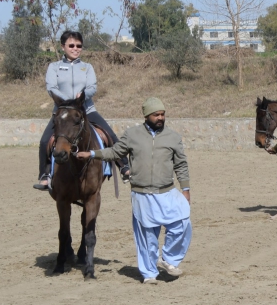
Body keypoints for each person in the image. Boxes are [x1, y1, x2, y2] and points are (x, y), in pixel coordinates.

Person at [76, 97, 191, 284]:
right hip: (142, 193)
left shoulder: (173, 137)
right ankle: (149, 274)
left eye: (163, 114)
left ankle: (168, 259)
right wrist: (92, 154)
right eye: (156, 115)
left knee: (182, 224)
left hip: (167, 191)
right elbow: (114, 152)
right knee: (147, 235)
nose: (160, 117)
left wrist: (185, 188)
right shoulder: (132, 135)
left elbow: (181, 164)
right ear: (147, 116)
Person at [35, 30, 129, 189]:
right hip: (63, 112)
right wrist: (68, 102)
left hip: (86, 110)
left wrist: (83, 95)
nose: (75, 48)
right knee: (45, 140)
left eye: (79, 46)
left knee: (110, 135)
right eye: (71, 45)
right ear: (63, 46)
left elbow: (93, 87)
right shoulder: (54, 67)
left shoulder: (87, 67)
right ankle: (44, 175)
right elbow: (51, 87)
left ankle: (124, 167)